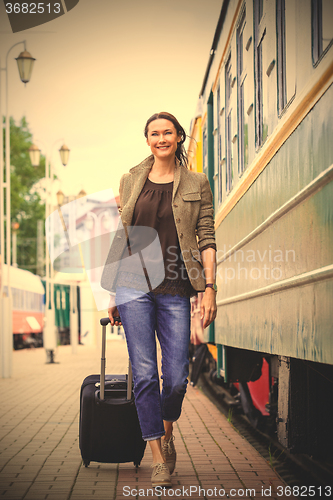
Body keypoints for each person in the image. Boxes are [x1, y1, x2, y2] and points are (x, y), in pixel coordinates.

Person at [102, 111, 217, 487]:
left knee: (178, 377)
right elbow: (124, 234)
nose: (161, 138)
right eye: (154, 133)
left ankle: (166, 432)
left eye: (167, 132)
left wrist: (210, 287)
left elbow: (207, 238)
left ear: (178, 137)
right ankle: (157, 457)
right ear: (147, 139)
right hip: (133, 284)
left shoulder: (197, 182)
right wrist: (114, 292)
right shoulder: (132, 178)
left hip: (176, 287)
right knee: (146, 373)